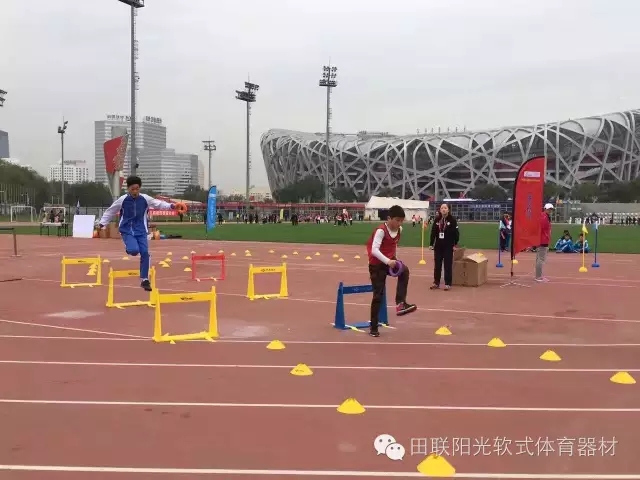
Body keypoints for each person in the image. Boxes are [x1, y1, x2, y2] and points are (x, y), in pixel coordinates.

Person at [98, 175, 177, 291]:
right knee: (134, 250)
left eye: (137, 189)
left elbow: (158, 204)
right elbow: (111, 211)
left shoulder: (145, 198)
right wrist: (102, 223)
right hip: (127, 230)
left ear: (139, 188)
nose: (135, 191)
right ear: (128, 188)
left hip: (141, 230)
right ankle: (129, 248)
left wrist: (172, 206)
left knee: (145, 253)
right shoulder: (123, 200)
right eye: (132, 189)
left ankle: (145, 279)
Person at [365, 205, 417, 338]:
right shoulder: (381, 231)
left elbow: (394, 246)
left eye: (401, 221)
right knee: (378, 295)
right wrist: (388, 261)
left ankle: (400, 303)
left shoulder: (400, 230)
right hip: (377, 265)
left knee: (404, 271)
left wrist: (394, 259)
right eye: (397, 220)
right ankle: (373, 327)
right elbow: (374, 250)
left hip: (390, 261)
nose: (399, 223)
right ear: (389, 218)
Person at [429, 203, 459, 291]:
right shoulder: (437, 219)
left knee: (447, 265)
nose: (443, 209)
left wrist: (455, 244)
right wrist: (431, 244)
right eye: (442, 208)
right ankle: (436, 282)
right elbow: (433, 232)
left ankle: (448, 283)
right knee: (437, 265)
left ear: (448, 210)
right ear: (440, 210)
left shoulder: (452, 220)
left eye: (445, 208)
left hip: (448, 246)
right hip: (438, 246)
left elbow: (456, 233)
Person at [535, 203, 554, 282]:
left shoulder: (546, 216)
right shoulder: (544, 217)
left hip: (543, 239)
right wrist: (546, 236)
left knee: (539, 258)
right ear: (545, 209)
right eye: (549, 209)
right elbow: (542, 227)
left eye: (551, 209)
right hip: (542, 240)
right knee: (541, 259)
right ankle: (538, 277)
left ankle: (539, 275)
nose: (550, 211)